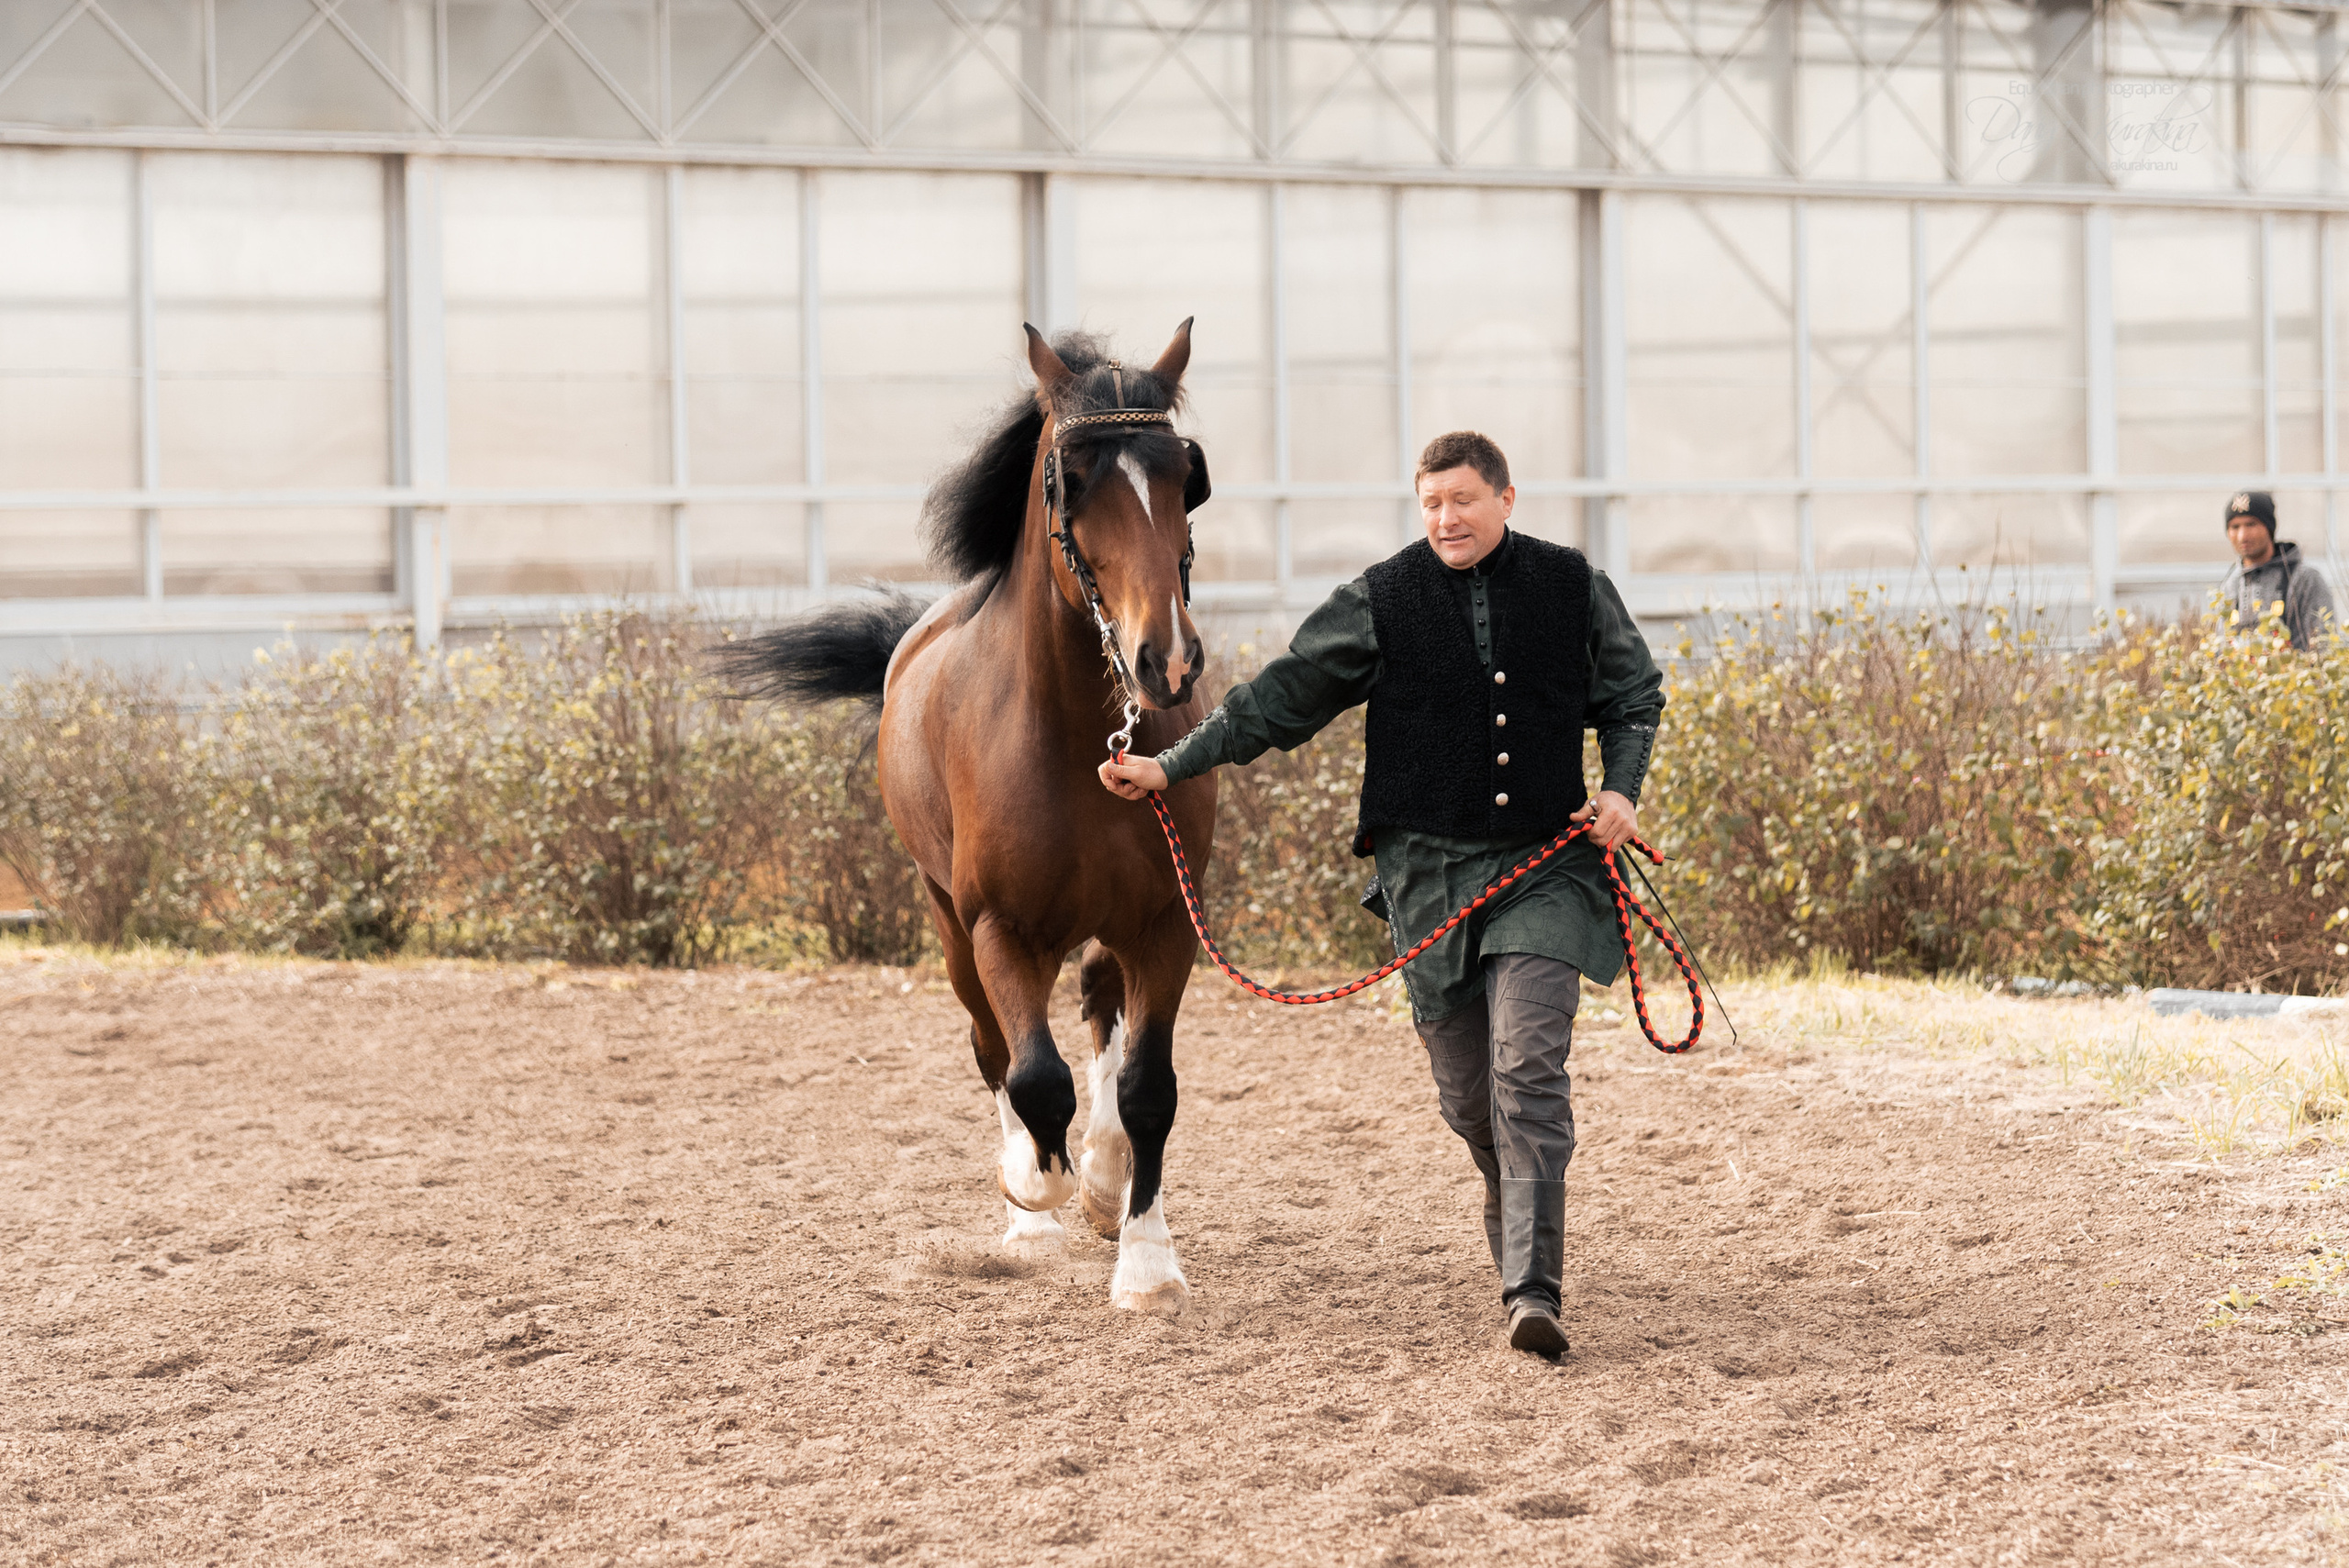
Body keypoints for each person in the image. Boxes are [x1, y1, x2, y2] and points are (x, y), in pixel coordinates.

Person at [1098, 430, 1664, 1358]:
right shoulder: (1379, 599)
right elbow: (1276, 700)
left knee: (1526, 1073)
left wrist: (1620, 789)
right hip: (1427, 879)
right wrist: (1170, 763)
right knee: (1471, 1102)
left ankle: (1532, 1288)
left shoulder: (1572, 586)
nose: (1446, 517)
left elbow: (1634, 695)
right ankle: (1516, 1202)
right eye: (1431, 503)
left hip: (1545, 868)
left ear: (1506, 499)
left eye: (1464, 501)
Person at [2221, 491, 2336, 650]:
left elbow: (2323, 645)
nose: (2242, 536)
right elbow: (2221, 649)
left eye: (2251, 524)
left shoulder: (2304, 579)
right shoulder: (2230, 585)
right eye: (2235, 527)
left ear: (2269, 528)